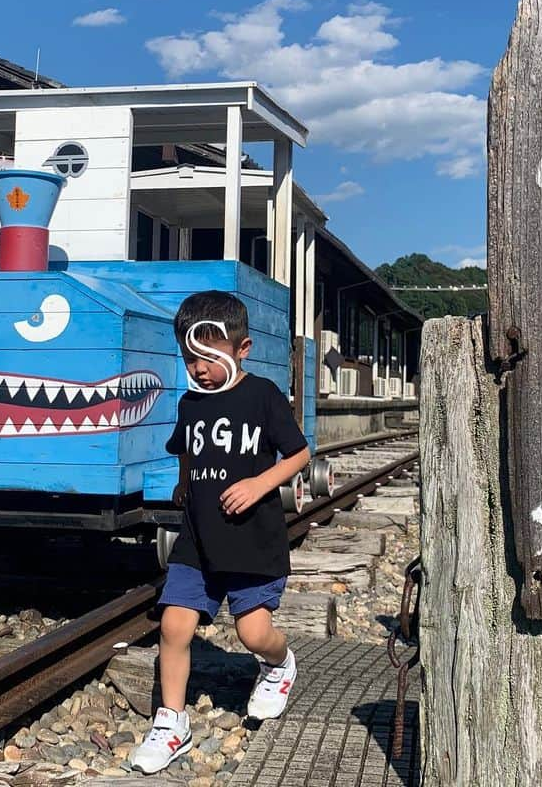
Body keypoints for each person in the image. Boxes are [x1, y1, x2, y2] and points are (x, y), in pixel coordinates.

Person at [130, 290, 311, 775]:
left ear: (242, 349)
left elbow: (299, 455)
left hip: (253, 540)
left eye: (210, 357)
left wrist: (258, 483)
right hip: (198, 542)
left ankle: (280, 664)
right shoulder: (191, 404)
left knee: (254, 634)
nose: (199, 368)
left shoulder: (263, 396)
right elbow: (186, 450)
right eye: (190, 357)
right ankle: (172, 723)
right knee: (173, 625)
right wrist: (184, 483)